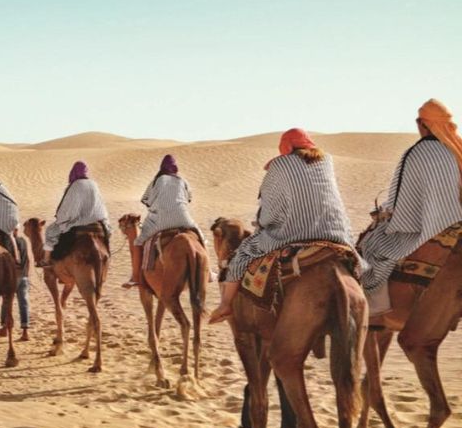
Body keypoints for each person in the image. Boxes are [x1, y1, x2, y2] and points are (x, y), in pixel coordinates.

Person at [209, 128, 356, 323]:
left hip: (293, 235)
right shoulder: (326, 161)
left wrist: (263, 224)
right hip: (337, 234)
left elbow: (269, 206)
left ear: (286, 146)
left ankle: (225, 305)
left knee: (242, 254)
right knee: (363, 262)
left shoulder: (280, 165)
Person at [358, 99, 462, 317]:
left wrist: (387, 213)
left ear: (425, 125)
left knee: (371, 248)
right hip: (457, 222)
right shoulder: (456, 150)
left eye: (419, 122)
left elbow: (402, 201)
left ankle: (374, 310)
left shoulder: (418, 152)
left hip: (425, 226)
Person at [124, 154, 203, 287]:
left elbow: (146, 200)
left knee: (138, 242)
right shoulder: (182, 180)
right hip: (183, 218)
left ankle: (136, 276)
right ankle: (207, 272)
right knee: (201, 237)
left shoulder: (157, 180)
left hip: (160, 220)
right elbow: (189, 199)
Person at [42, 160, 111, 266]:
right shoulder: (94, 184)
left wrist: (61, 217)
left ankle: (46, 260)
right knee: (108, 233)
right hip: (98, 219)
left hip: (78, 221)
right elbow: (100, 203)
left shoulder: (74, 186)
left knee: (51, 231)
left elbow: (67, 207)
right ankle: (108, 258)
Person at [0, 228, 31, 341]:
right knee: (24, 302)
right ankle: (25, 330)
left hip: (11, 276)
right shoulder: (23, 241)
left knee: (6, 301)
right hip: (23, 275)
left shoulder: (6, 242)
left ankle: (4, 326)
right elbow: (27, 259)